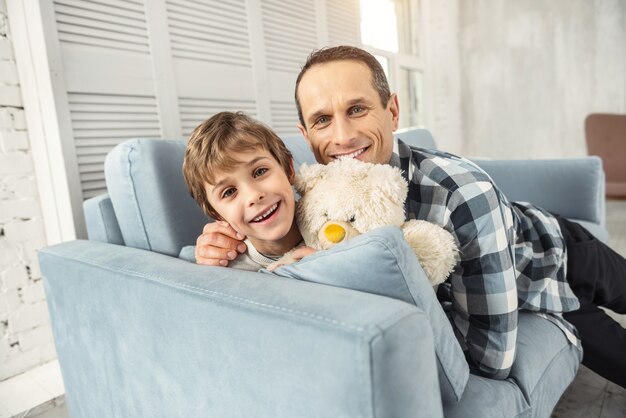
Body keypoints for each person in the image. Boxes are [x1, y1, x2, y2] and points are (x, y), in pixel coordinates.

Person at [193, 46, 626, 386]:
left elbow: (490, 360)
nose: (342, 136)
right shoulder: (298, 194)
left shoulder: (461, 192)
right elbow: (255, 221)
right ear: (305, 139)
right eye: (323, 120)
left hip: (554, 251)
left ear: (393, 111)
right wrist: (212, 245)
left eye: (357, 109)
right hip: (518, 292)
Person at [183, 111, 311, 271]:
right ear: (217, 214)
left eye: (260, 172)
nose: (253, 196)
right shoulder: (225, 268)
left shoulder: (337, 221)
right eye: (229, 192)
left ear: (288, 169)